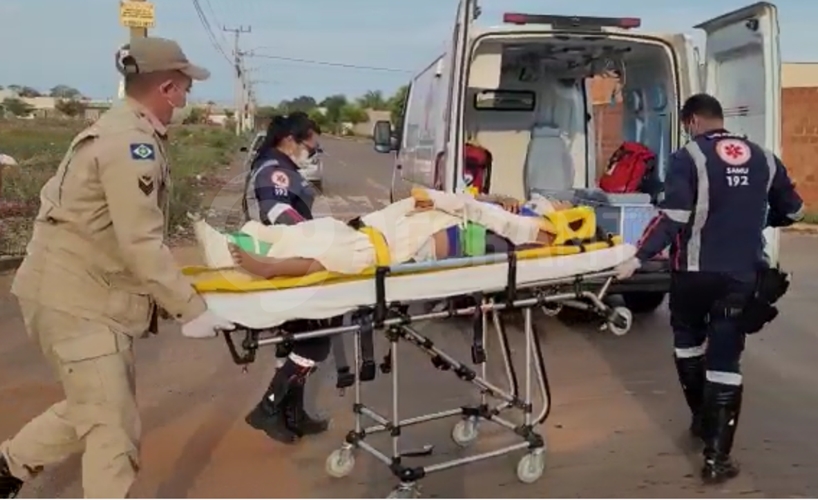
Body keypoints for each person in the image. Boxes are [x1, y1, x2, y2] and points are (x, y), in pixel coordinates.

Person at [0, 37, 235, 499]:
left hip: (77, 292)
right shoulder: (131, 145)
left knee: (93, 406)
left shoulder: (123, 129)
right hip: (76, 301)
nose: (187, 98)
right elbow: (140, 243)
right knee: (113, 429)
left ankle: (7, 467)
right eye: (185, 87)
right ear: (167, 87)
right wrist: (192, 310)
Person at [614, 93, 804, 484]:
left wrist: (637, 257)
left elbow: (674, 217)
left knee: (687, 343)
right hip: (742, 276)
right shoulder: (764, 157)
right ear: (721, 119)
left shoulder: (689, 157)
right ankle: (717, 459)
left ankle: (702, 421)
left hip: (693, 275)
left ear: (691, 122)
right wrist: (765, 219)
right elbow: (795, 210)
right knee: (726, 359)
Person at [193, 189, 582, 280]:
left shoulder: (541, 231)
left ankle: (270, 266)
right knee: (319, 230)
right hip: (392, 226)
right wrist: (502, 201)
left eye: (558, 207)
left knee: (336, 255)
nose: (553, 205)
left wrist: (516, 218)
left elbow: (479, 212)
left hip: (399, 245)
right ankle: (249, 240)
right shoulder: (516, 211)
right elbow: (474, 202)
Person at [240, 112, 335, 445]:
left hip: (284, 259)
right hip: (283, 263)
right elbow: (280, 215)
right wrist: (321, 237)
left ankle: (291, 415)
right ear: (291, 140)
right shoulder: (276, 172)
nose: (313, 152)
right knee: (316, 339)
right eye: (311, 146)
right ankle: (268, 409)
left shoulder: (276, 166)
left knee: (299, 338)